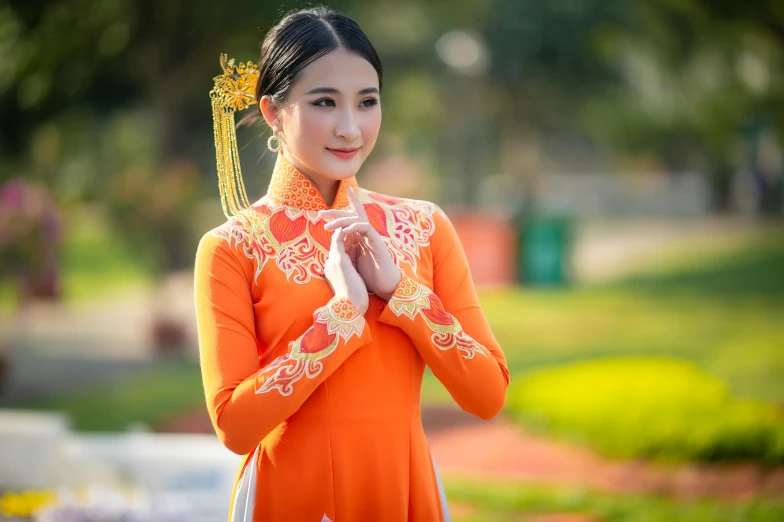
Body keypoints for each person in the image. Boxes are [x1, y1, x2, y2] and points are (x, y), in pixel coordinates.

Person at [194, 6, 510, 522]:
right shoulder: (233, 247)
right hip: (289, 497)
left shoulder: (424, 227)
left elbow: (488, 394)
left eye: (367, 102)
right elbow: (235, 426)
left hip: (404, 492)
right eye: (324, 102)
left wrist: (401, 293)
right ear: (273, 112)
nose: (350, 128)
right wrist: (342, 317)